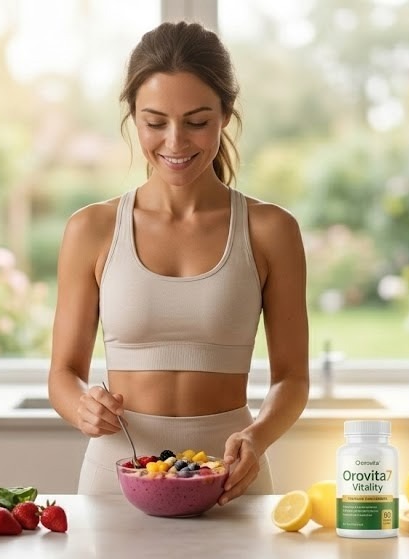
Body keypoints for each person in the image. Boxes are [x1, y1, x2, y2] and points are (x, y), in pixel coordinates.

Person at [47, 21, 309, 506]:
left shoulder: (270, 230)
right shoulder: (92, 230)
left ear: (226, 114)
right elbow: (63, 373)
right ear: (132, 116)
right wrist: (82, 407)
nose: (175, 142)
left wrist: (258, 436)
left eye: (197, 121)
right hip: (115, 479)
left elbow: (291, 378)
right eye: (155, 122)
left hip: (232, 481)